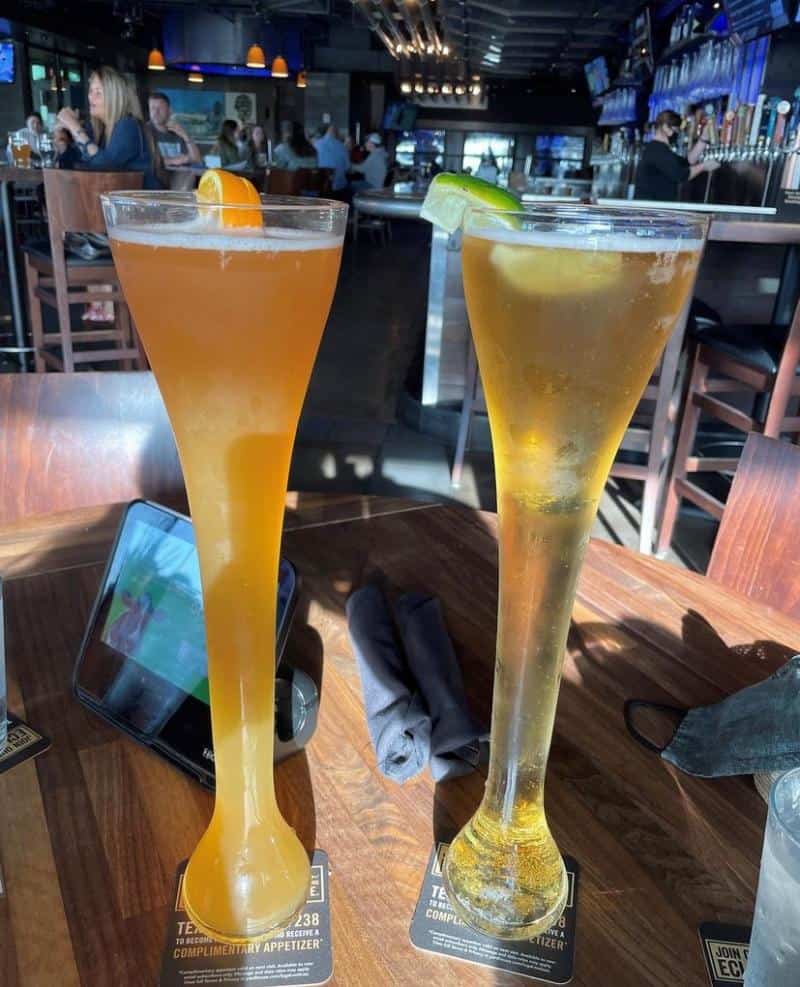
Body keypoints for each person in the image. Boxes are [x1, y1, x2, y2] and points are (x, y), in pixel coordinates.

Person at [56, 66, 158, 188]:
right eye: (91, 91)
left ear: (114, 98)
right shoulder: (98, 129)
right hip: (116, 202)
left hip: (141, 204)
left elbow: (105, 167)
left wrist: (74, 126)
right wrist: (62, 142)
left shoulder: (128, 125)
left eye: (98, 92)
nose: (91, 97)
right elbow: (74, 165)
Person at [634, 109, 720, 202]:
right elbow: (681, 175)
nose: (677, 134)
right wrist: (704, 166)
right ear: (666, 127)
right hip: (652, 211)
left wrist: (703, 138)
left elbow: (687, 162)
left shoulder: (659, 149)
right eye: (676, 130)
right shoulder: (657, 150)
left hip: (656, 209)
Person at [146, 91, 201, 169]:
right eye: (152, 108)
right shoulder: (144, 131)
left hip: (178, 176)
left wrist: (186, 136)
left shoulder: (178, 131)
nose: (156, 112)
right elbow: (145, 161)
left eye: (160, 108)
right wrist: (173, 161)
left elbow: (196, 160)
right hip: (155, 177)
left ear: (170, 111)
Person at [313, 123, 349, 192]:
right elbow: (347, 167)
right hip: (339, 187)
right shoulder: (342, 146)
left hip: (321, 188)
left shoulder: (316, 144)